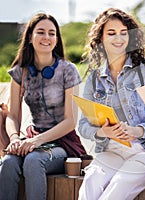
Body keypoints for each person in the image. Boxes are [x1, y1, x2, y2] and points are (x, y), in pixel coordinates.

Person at [78, 8, 145, 200]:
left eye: (124, 33)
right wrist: (101, 132)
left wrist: (137, 130)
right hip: (112, 150)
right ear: (100, 39)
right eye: (111, 33)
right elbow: (83, 126)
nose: (119, 38)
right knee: (91, 181)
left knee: (119, 185)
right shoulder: (94, 78)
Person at [0, 13, 86, 200]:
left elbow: (70, 121)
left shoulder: (68, 70)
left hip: (63, 142)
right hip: (32, 140)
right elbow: (12, 115)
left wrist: (36, 142)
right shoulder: (20, 72)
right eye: (41, 32)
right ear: (30, 37)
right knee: (8, 163)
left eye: (52, 33)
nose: (47, 37)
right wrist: (15, 138)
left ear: (56, 39)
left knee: (33, 161)